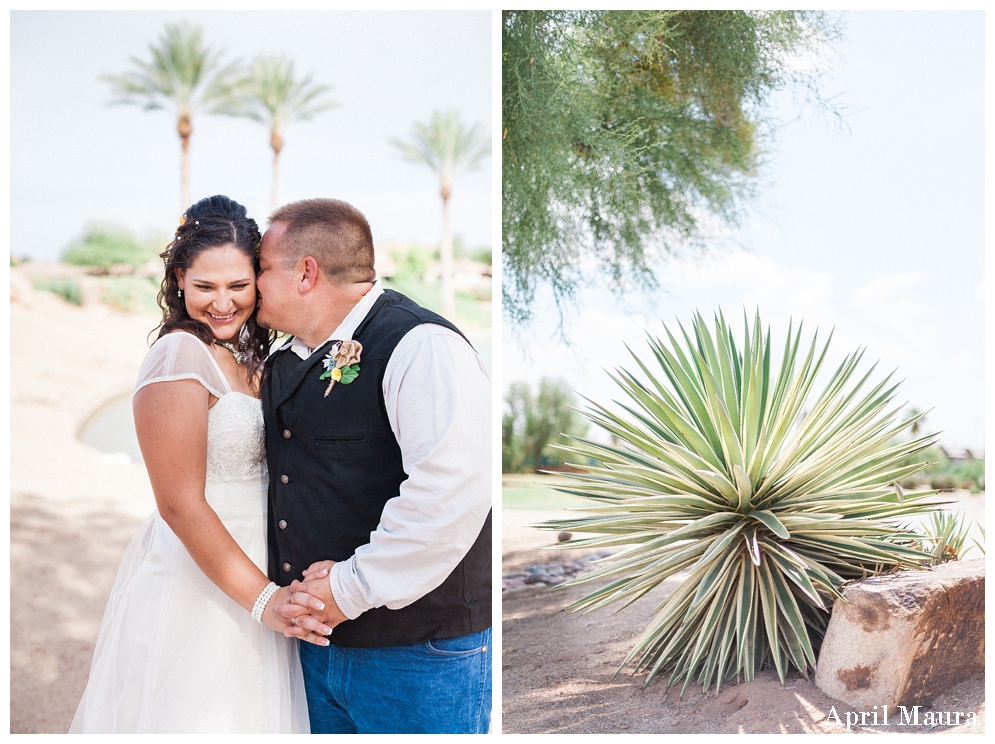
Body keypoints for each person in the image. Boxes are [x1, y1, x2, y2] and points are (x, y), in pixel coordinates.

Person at [69, 195, 322, 734]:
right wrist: (263, 601)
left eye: (238, 286)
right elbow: (179, 504)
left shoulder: (250, 357)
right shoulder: (178, 355)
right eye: (206, 287)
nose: (223, 303)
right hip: (203, 578)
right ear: (179, 279)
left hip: (257, 565)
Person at [253, 198, 492, 734]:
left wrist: (347, 590)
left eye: (263, 267)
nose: (254, 280)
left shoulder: (421, 346)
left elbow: (451, 493)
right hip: (311, 649)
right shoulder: (285, 361)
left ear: (306, 273)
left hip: (420, 655)